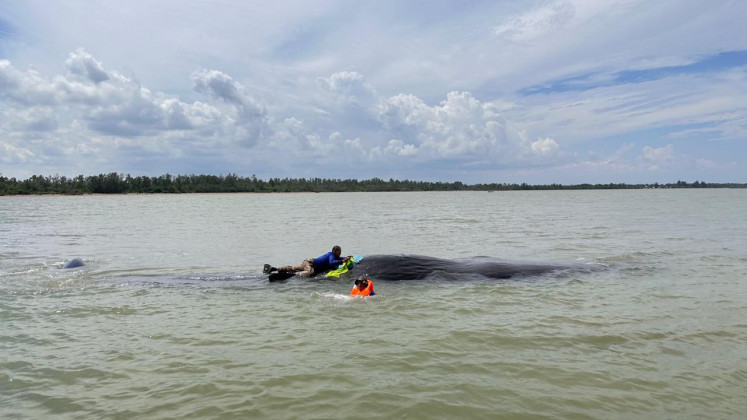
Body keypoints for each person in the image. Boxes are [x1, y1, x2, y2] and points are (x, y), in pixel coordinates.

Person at [265, 245, 352, 277]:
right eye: (339, 252)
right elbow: (332, 262)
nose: (340, 254)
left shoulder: (331, 255)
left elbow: (339, 259)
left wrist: (346, 258)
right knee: (309, 273)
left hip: (307, 261)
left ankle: (273, 268)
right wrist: (343, 261)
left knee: (292, 267)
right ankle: (290, 275)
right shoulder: (331, 256)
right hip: (310, 264)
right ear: (335, 251)